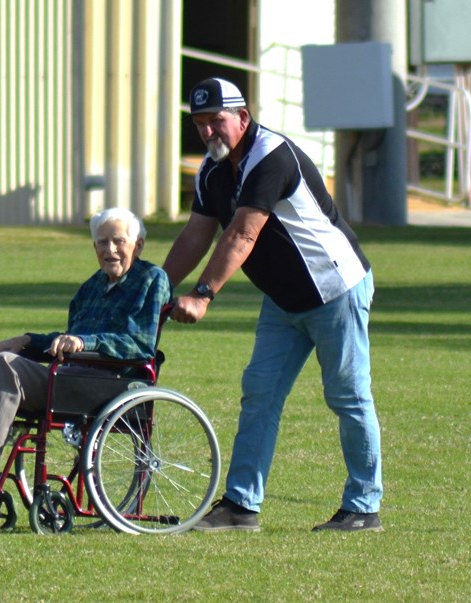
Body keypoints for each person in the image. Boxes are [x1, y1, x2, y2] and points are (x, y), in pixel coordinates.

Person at [163, 78, 382, 532]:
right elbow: (195, 234)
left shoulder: (271, 156)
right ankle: (241, 506)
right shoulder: (211, 169)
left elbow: (242, 233)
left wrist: (203, 295)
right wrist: (155, 288)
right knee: (259, 395)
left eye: (216, 121)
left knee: (348, 396)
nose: (209, 132)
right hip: (284, 300)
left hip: (334, 290)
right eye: (200, 124)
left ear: (243, 117)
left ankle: (364, 507)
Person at [0, 208, 172, 504]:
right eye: (102, 243)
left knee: (6, 365)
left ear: (139, 245)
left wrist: (85, 342)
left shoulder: (151, 279)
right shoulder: (91, 288)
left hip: (106, 385)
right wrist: (28, 340)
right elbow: (66, 341)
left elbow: (140, 345)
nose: (110, 250)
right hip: (68, 377)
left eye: (118, 241)